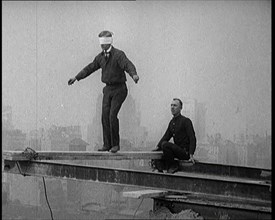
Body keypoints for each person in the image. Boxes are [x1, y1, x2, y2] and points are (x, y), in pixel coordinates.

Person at [68, 30, 139, 153]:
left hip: (119, 89)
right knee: (104, 116)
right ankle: (107, 144)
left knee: (112, 115)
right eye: (100, 43)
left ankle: (115, 144)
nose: (101, 46)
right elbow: (90, 68)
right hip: (107, 89)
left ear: (109, 42)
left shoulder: (118, 55)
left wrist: (134, 75)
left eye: (104, 43)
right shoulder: (100, 57)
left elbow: (127, 64)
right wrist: (76, 77)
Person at [152, 98, 196, 173]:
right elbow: (166, 136)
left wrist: (191, 154)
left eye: (175, 105)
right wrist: (157, 147)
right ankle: (160, 167)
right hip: (177, 151)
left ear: (180, 108)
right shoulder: (172, 122)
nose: (172, 107)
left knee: (165, 145)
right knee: (161, 147)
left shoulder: (186, 121)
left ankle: (173, 166)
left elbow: (192, 138)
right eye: (171, 105)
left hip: (184, 152)